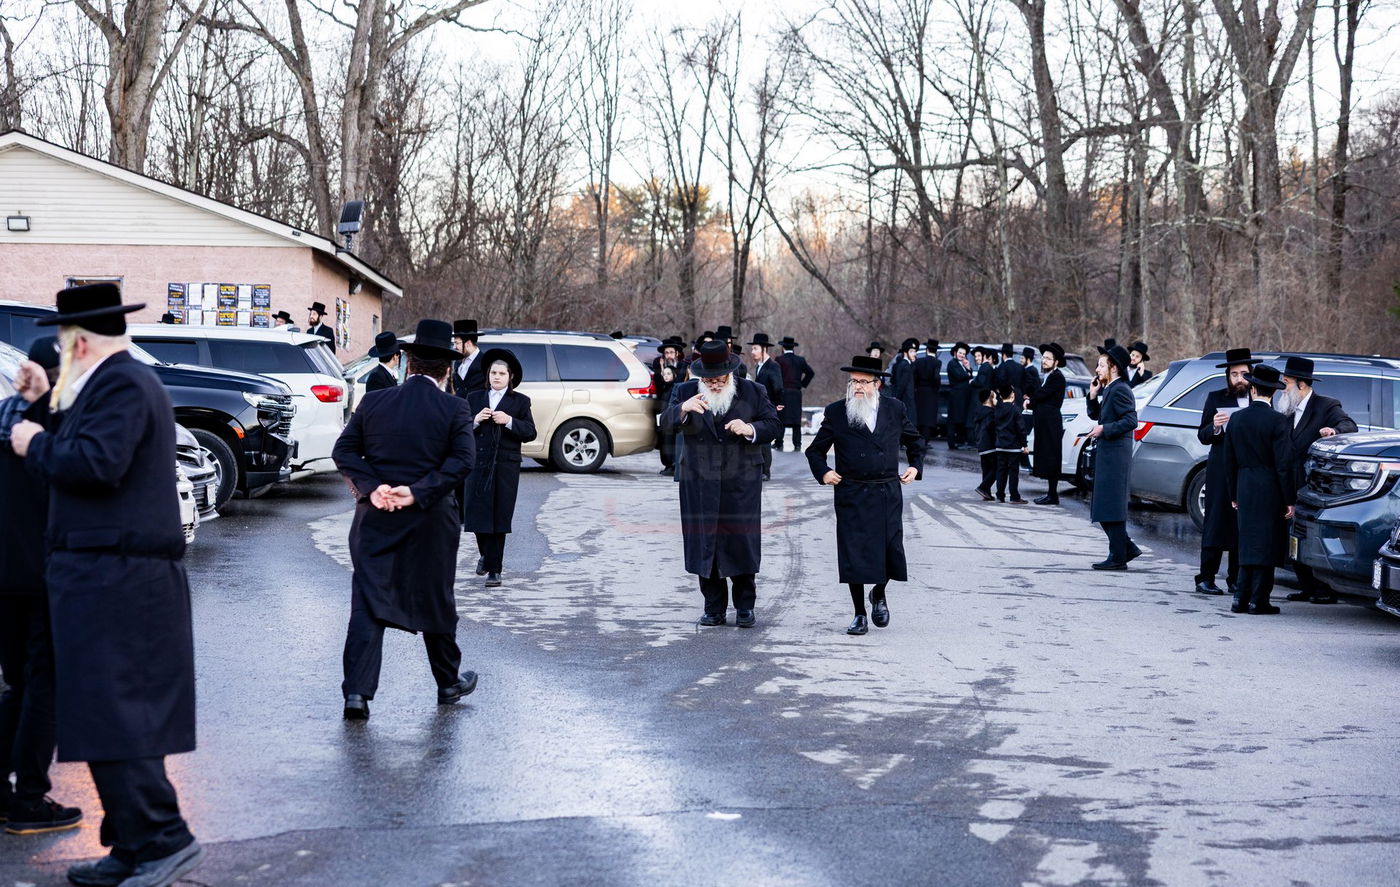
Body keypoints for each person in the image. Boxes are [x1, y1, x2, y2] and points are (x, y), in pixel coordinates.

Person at [9, 284, 203, 886]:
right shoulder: (107, 384)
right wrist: (43, 407)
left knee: (121, 716)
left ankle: (163, 839)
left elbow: (94, 463)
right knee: (100, 716)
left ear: (81, 341)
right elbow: (82, 440)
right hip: (100, 575)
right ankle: (130, 845)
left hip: (119, 579)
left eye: (65, 347)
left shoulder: (121, 383)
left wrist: (33, 439)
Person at [332, 318, 479, 721]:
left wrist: (374, 487)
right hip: (431, 520)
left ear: (408, 364)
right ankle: (448, 684)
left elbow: (343, 451)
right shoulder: (455, 407)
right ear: (447, 369)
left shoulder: (375, 402)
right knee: (435, 598)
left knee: (367, 600)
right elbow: (465, 461)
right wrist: (417, 491)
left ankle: (357, 695)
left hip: (375, 517)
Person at [0, 337, 81, 836]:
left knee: (19, 684)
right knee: (45, 684)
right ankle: (29, 797)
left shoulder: (7, 414)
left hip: (5, 573)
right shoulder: (61, 427)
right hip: (46, 574)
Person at [659, 340, 779, 628]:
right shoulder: (686, 390)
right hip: (699, 480)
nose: (713, 384)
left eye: (718, 379)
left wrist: (750, 428)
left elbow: (773, 424)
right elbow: (664, 423)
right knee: (705, 542)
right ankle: (713, 607)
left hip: (741, 481)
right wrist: (683, 410)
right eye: (708, 379)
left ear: (730, 374)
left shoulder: (753, 391)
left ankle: (745, 607)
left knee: (740, 542)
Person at [806, 354, 923, 635]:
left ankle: (879, 593)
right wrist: (824, 472)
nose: (857, 386)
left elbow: (915, 440)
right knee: (854, 554)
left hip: (886, 490)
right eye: (853, 381)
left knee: (891, 549)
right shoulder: (837, 412)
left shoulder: (895, 409)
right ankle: (859, 613)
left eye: (863, 382)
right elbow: (815, 450)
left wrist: (915, 467)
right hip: (852, 492)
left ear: (877, 384)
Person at [1277, 356, 1357, 604]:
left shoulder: (1326, 405)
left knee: (1308, 536)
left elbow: (1349, 424)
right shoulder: (1286, 408)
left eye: (1287, 382)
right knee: (1291, 539)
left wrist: (1334, 431)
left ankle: (1322, 589)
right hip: (1288, 483)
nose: (1283, 388)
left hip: (1311, 486)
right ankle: (1307, 587)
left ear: (1301, 385)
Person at [1222, 363, 1295, 615]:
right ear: (1273, 393)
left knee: (1247, 541)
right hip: (1270, 486)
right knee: (1267, 542)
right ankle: (1258, 600)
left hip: (1244, 485)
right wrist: (1289, 498)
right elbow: (1284, 464)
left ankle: (1239, 598)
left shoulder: (1237, 419)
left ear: (1252, 389)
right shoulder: (1279, 421)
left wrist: (1233, 494)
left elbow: (1228, 461)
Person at [464, 348, 537, 588]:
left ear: (510, 376)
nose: (496, 377)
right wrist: (475, 420)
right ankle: (486, 555)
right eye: (493, 372)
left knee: (499, 516)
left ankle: (495, 569)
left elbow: (529, 432)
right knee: (477, 513)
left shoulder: (520, 401)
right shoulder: (474, 398)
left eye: (502, 373)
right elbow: (459, 428)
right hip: (478, 464)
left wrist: (509, 421)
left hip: (505, 466)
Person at [1194, 348, 1259, 596]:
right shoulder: (1216, 398)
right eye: (1234, 374)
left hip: (1246, 470)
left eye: (1244, 374)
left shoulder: (1260, 401)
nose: (1239, 379)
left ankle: (1235, 579)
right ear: (1228, 377)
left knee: (1240, 524)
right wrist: (1215, 426)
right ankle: (1205, 577)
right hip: (1221, 470)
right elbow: (1202, 436)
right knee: (1215, 521)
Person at [1086, 344, 1141, 570]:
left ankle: (1118, 556)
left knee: (1110, 506)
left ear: (1114, 367)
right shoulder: (1109, 388)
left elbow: (1131, 421)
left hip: (1116, 455)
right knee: (1104, 505)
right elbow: (1096, 414)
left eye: (1101, 365)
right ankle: (1125, 549)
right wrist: (1093, 394)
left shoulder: (1121, 389)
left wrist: (1104, 430)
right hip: (1108, 453)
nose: (1097, 369)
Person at [1028, 343, 1067, 505]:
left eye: (1048, 358)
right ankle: (1050, 493)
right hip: (1045, 422)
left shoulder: (1057, 377)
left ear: (1056, 362)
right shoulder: (1048, 376)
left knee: (1052, 456)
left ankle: (1053, 495)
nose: (1044, 361)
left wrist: (1031, 400)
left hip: (1051, 423)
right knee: (1046, 455)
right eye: (1043, 357)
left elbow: (1041, 395)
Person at [748, 333, 784, 481]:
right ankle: (760, 469)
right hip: (760, 406)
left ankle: (766, 472)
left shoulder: (773, 366)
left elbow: (778, 387)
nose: (752, 352)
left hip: (769, 407)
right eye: (752, 349)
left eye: (755, 349)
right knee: (760, 439)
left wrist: (777, 405)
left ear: (764, 349)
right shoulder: (759, 367)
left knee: (765, 441)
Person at [653, 337, 689, 475]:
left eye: (671, 353)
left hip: (677, 406)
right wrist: (662, 370)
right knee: (664, 437)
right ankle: (667, 464)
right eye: (666, 353)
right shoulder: (659, 365)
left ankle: (674, 464)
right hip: (663, 404)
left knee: (674, 437)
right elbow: (659, 384)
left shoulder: (682, 366)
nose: (668, 355)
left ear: (677, 353)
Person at [773, 336, 815, 452]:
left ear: (782, 347)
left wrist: (776, 389)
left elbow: (775, 376)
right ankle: (797, 444)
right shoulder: (800, 360)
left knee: (781, 417)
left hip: (783, 392)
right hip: (796, 393)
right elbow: (810, 373)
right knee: (796, 420)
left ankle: (778, 443)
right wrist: (802, 384)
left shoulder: (779, 360)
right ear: (793, 347)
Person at [992, 384, 1028, 503]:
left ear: (1001, 396)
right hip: (1013, 446)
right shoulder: (1015, 409)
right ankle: (1014, 496)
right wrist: (1024, 444)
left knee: (1001, 471)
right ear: (1012, 395)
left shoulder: (998, 408)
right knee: (1013, 472)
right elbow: (1021, 429)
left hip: (1000, 445)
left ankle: (1000, 495)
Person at [912, 339, 942, 445]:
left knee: (919, 417)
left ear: (927, 350)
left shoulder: (918, 361)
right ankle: (925, 440)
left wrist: (916, 387)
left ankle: (917, 439)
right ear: (936, 351)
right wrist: (936, 388)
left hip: (919, 392)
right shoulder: (937, 362)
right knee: (928, 419)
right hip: (931, 393)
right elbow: (936, 377)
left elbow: (914, 377)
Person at [971, 387, 997, 500]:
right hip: (991, 445)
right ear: (989, 399)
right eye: (995, 397)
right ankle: (983, 487)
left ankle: (987, 493)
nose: (997, 400)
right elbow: (992, 428)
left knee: (986, 470)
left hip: (981, 445)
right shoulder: (991, 413)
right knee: (997, 468)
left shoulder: (979, 412)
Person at [946, 343, 973, 450]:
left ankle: (960, 441)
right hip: (956, 396)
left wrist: (968, 367)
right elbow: (960, 376)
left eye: (964, 354)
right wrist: (968, 374)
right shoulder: (952, 364)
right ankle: (952, 442)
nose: (962, 355)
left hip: (964, 396)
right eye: (960, 353)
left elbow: (969, 374)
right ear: (955, 353)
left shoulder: (963, 364)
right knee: (953, 419)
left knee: (961, 418)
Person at [450, 319, 484, 397]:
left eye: (456, 343)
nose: (454, 347)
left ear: (468, 343)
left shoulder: (484, 362)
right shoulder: (457, 362)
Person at [888, 338, 919, 418]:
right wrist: (897, 398)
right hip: (906, 401)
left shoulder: (907, 364)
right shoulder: (904, 365)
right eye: (911, 351)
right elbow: (901, 385)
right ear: (905, 352)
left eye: (915, 351)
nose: (914, 354)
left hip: (907, 400)